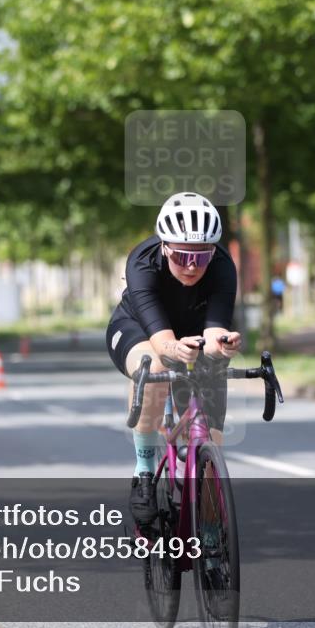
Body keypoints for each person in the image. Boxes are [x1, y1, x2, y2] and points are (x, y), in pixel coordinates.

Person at [105, 192, 242, 527]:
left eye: (202, 256)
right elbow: (164, 343)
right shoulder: (141, 262)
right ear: (164, 246)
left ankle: (211, 534)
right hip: (139, 331)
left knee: (212, 443)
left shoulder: (223, 265)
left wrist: (222, 345)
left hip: (193, 334)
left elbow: (213, 333)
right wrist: (174, 350)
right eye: (181, 255)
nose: (192, 265)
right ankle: (145, 472)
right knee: (155, 365)